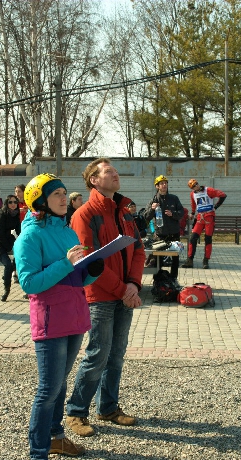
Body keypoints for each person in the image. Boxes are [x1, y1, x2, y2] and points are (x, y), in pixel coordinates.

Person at [13, 173, 104, 460]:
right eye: (58, 195)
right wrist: (68, 265)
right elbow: (29, 284)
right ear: (39, 201)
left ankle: (55, 437)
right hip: (50, 321)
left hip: (74, 318)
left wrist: (90, 269)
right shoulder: (28, 238)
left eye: (65, 193)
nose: (65, 198)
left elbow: (74, 279)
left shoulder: (67, 232)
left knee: (60, 383)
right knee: (47, 389)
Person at [66, 157, 145, 438]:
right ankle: (76, 411)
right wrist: (124, 290)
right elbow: (89, 260)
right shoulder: (85, 214)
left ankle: (108, 407)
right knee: (98, 353)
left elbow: (138, 251)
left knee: (117, 353)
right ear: (93, 180)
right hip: (100, 296)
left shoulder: (124, 212)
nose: (115, 175)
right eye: (108, 171)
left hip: (125, 292)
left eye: (115, 171)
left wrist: (134, 284)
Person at [144, 175, 184, 280]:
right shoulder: (154, 200)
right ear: (157, 186)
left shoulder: (174, 198)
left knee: (175, 258)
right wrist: (152, 209)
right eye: (161, 183)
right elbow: (146, 217)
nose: (164, 185)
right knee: (158, 258)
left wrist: (173, 214)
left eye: (165, 183)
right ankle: (157, 280)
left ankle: (173, 278)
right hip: (161, 234)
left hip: (174, 233)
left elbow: (181, 213)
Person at [181, 178, 227, 269]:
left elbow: (223, 195)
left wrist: (216, 207)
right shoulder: (192, 194)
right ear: (192, 188)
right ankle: (190, 260)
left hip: (209, 217)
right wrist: (193, 213)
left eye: (196, 184)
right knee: (193, 238)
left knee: (208, 239)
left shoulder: (208, 190)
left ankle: (206, 260)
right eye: (193, 186)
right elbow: (194, 204)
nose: (196, 186)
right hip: (199, 218)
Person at [0, 195, 21, 301]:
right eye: (10, 202)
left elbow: (19, 231)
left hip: (9, 239)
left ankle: (7, 275)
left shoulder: (15, 214)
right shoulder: (1, 214)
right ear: (6, 203)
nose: (13, 204)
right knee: (8, 265)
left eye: (15, 202)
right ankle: (6, 290)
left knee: (21, 256)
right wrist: (8, 247)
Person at [12, 184, 27, 284]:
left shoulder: (28, 202)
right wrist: (18, 211)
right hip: (16, 230)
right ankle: (14, 273)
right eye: (16, 191)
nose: (17, 194)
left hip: (26, 230)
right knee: (16, 252)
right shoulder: (13, 203)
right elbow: (8, 212)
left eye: (19, 191)